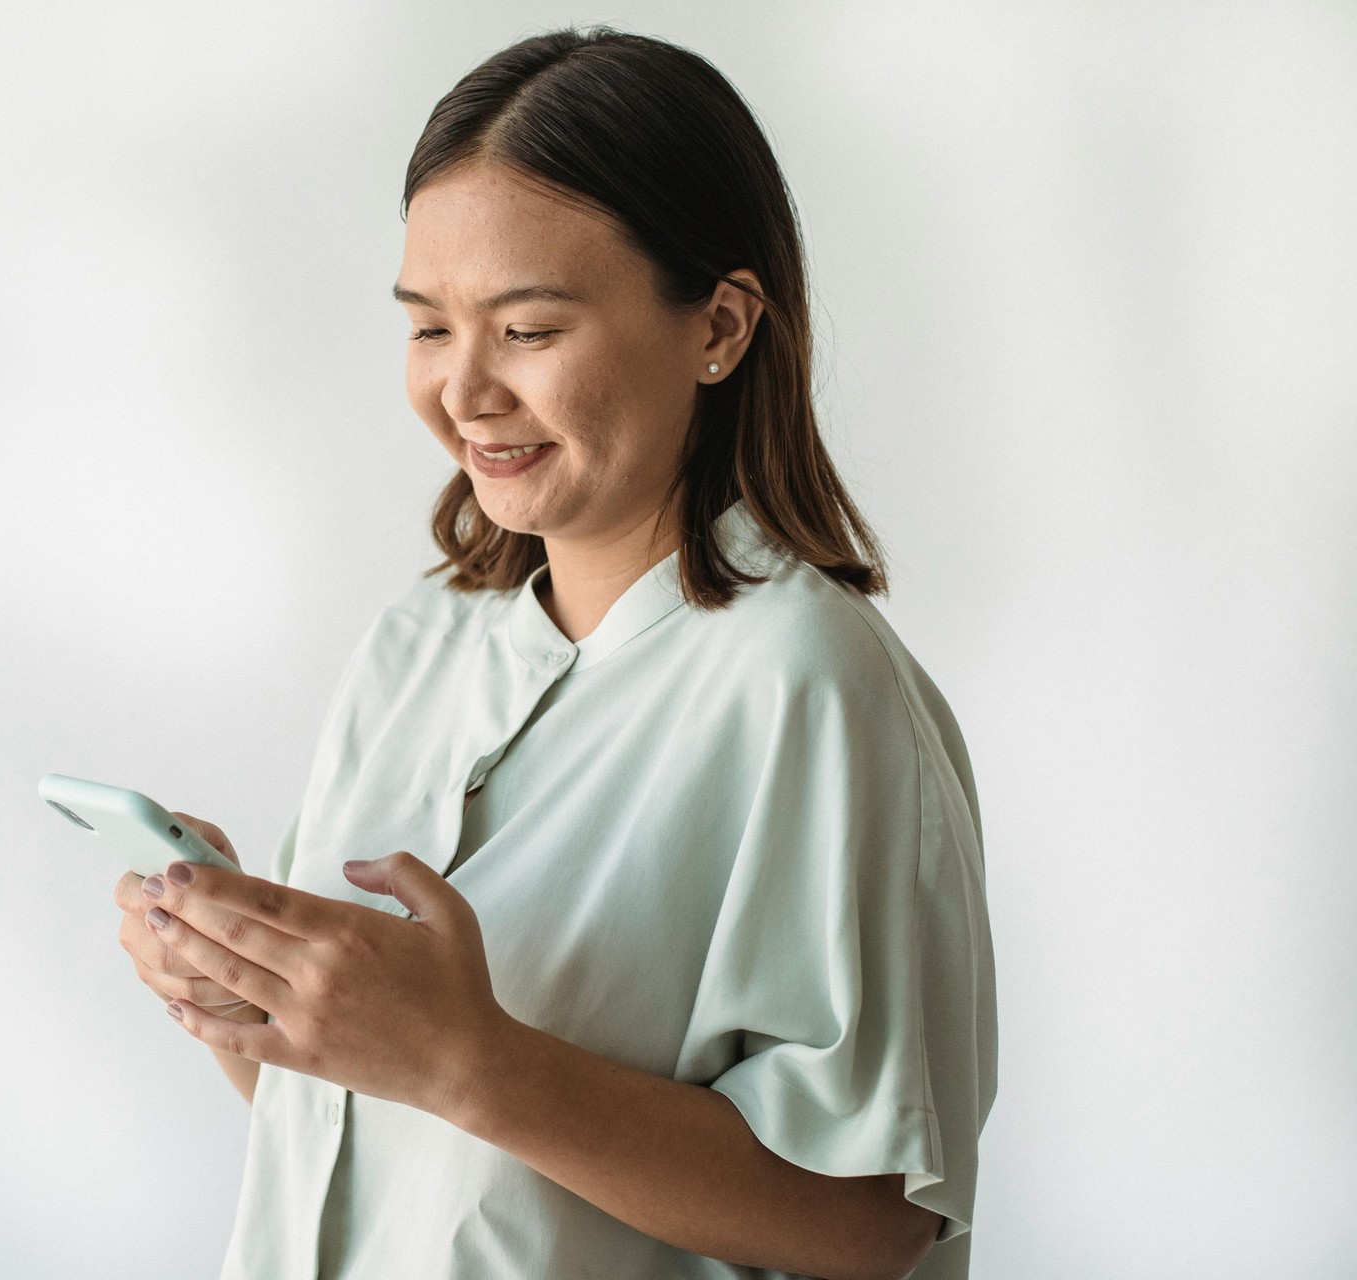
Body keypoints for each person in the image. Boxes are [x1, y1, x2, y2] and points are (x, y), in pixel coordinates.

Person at [112, 24, 995, 1280]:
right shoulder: (415, 646)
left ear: (721, 326)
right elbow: (392, 1154)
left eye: (526, 329)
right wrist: (256, 1005)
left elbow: (873, 1220)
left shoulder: (811, 687)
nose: (464, 390)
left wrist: (464, 1057)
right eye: (430, 328)